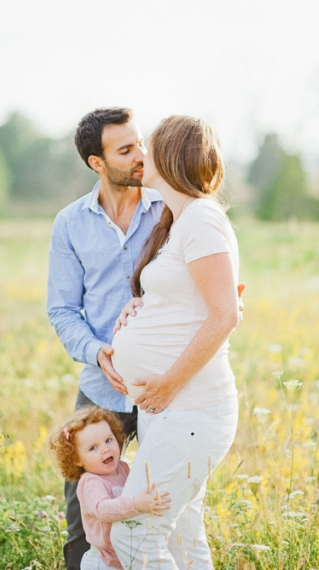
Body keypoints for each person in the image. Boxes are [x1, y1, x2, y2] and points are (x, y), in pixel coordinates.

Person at [108, 115, 239, 569]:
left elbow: (225, 313)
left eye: (151, 145)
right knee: (184, 541)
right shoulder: (178, 221)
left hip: (189, 409)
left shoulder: (202, 218)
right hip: (167, 413)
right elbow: (191, 301)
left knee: (131, 535)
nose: (141, 154)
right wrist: (140, 307)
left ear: (172, 155)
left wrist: (166, 383)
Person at [47, 107, 163, 569]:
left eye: (141, 143)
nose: (142, 156)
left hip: (165, 387)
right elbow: (62, 310)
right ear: (97, 162)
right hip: (101, 389)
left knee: (164, 496)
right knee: (82, 512)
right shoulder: (70, 223)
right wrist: (99, 353)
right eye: (126, 149)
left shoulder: (168, 209)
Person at [49, 406, 170, 569]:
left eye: (108, 440)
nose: (105, 449)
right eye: (93, 448)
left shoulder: (122, 468)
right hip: (102, 561)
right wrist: (135, 504)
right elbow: (102, 509)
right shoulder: (91, 482)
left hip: (124, 553)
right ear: (77, 459)